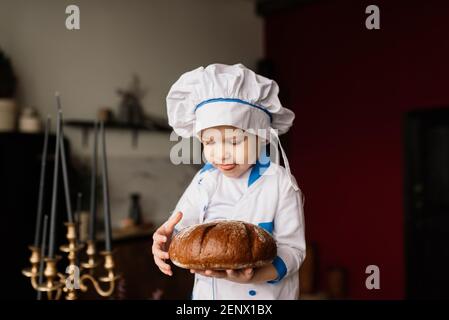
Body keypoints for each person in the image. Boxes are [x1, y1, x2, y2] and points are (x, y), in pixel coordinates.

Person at [152, 63, 306, 299]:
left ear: (263, 138)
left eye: (234, 142)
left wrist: (255, 275)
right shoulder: (204, 180)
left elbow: (293, 251)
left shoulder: (279, 183)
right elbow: (182, 230)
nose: (221, 154)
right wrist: (165, 240)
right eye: (209, 142)